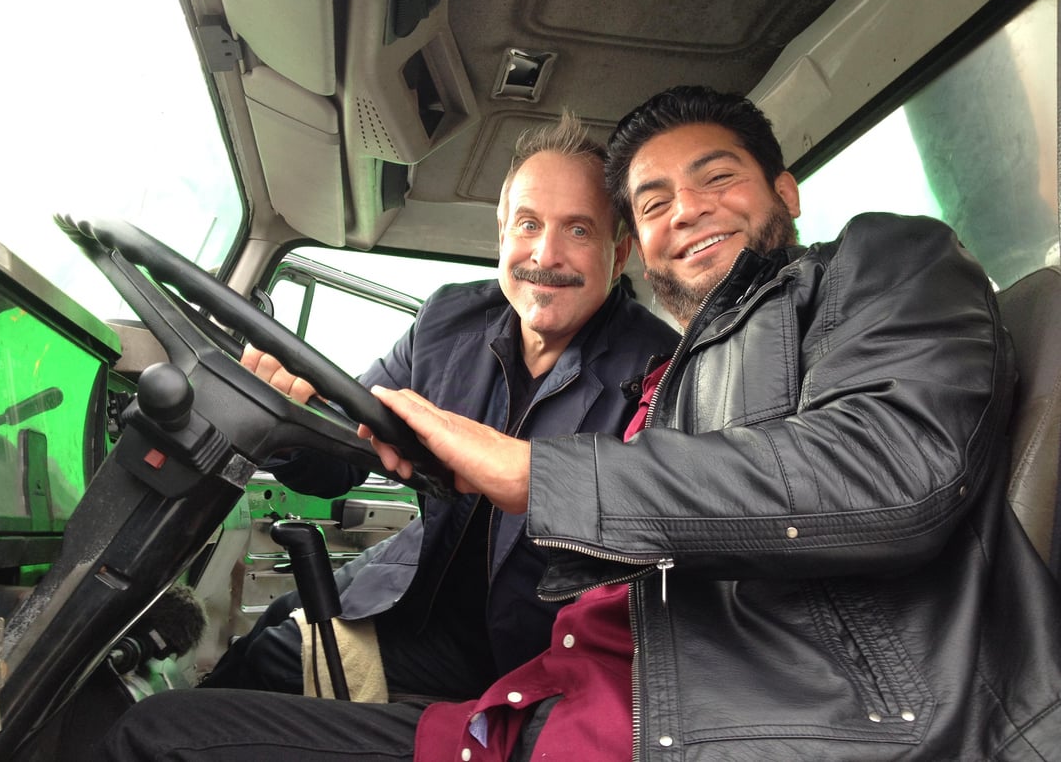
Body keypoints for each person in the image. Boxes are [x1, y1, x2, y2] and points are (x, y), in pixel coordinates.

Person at [101, 86, 1061, 760]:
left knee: (168, 731)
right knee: (230, 677)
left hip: (578, 678)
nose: (687, 213)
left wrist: (530, 472)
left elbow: (881, 476)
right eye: (656, 201)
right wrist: (296, 420)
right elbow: (352, 451)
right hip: (542, 689)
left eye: (717, 179)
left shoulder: (853, 276)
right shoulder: (473, 325)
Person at [199, 112, 680, 700]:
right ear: (502, 234)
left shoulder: (659, 371)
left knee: (273, 661)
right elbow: (341, 458)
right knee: (272, 623)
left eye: (578, 230)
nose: (545, 254)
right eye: (528, 224)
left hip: (521, 645)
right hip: (413, 582)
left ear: (619, 250)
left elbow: (652, 542)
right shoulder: (447, 320)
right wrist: (290, 415)